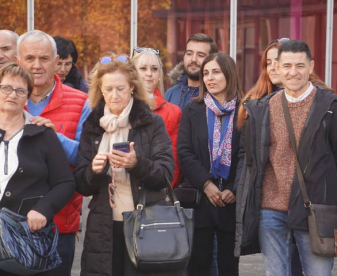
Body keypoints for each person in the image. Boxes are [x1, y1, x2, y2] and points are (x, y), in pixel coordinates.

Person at [234, 40, 337, 276]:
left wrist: (326, 197)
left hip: (313, 210)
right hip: (269, 210)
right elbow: (252, 161)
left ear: (310, 67)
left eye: (300, 65)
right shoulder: (262, 109)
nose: (293, 72)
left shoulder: (333, 109)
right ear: (277, 68)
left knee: (318, 273)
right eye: (287, 65)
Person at [74, 53, 180, 276]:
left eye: (120, 88)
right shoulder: (92, 125)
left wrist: (136, 163)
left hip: (145, 223)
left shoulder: (151, 122)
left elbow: (165, 174)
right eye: (108, 89)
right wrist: (94, 170)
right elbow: (82, 185)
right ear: (100, 91)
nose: (114, 95)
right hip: (103, 227)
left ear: (132, 87)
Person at [16, 30, 90, 276]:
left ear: (57, 61)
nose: (36, 66)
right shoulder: (6, 101)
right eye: (29, 58)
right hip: (10, 223)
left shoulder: (82, 102)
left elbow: (85, 158)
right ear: (19, 61)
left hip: (60, 225)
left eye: (44, 58)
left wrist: (54, 137)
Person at [0, 63, 76, 275]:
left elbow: (66, 182)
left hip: (26, 238)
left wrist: (44, 208)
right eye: (6, 88)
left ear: (27, 98)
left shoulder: (42, 134)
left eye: (20, 90)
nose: (12, 95)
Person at [178, 53, 244, 275]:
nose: (209, 78)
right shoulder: (192, 109)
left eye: (215, 72)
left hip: (231, 200)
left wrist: (234, 188)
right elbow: (184, 152)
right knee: (197, 264)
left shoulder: (246, 110)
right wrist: (206, 184)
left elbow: (248, 155)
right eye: (206, 73)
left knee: (228, 266)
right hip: (200, 198)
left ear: (229, 74)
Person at [131, 47, 182, 187]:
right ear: (133, 73)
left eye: (154, 69)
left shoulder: (174, 112)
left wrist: (166, 190)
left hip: (158, 190)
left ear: (159, 74)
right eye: (143, 68)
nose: (149, 74)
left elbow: (174, 161)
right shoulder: (122, 106)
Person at [165, 33, 218, 109]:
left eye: (201, 55)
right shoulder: (170, 94)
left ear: (212, 60)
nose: (193, 59)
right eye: (189, 54)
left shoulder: (217, 96)